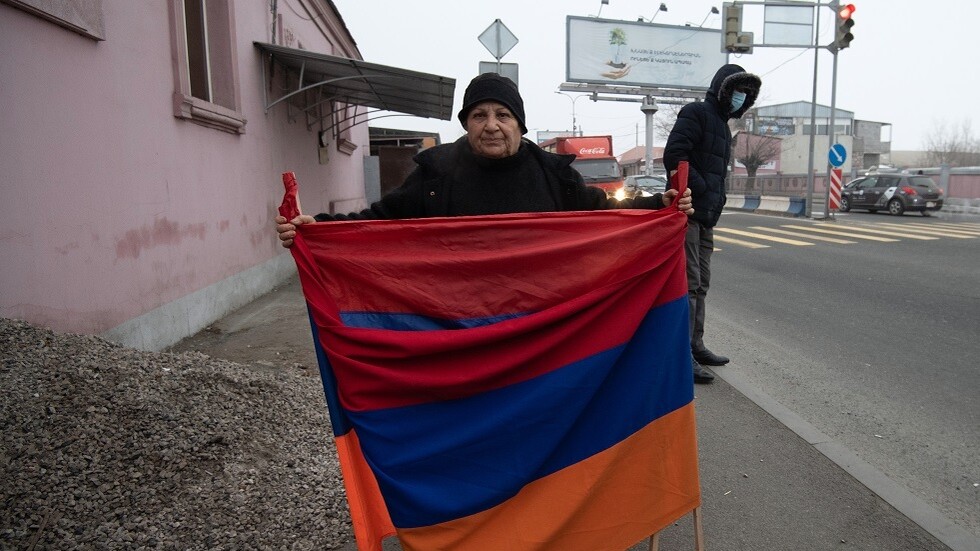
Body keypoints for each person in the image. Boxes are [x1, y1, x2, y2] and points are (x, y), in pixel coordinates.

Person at [277, 72, 691, 246]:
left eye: (502, 115)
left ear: (520, 125)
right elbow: (380, 220)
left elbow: (605, 213)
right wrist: (317, 228)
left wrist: (660, 204)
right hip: (459, 323)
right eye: (479, 115)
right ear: (467, 124)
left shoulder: (554, 175)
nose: (491, 125)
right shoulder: (435, 174)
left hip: (539, 319)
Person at [663, 64, 761, 384]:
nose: (740, 97)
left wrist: (717, 199)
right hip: (688, 213)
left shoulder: (722, 126)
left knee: (702, 283)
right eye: (737, 91)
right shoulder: (697, 113)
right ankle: (682, 355)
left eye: (746, 94)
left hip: (707, 217)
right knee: (689, 285)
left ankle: (696, 345)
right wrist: (702, 188)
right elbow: (675, 154)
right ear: (723, 89)